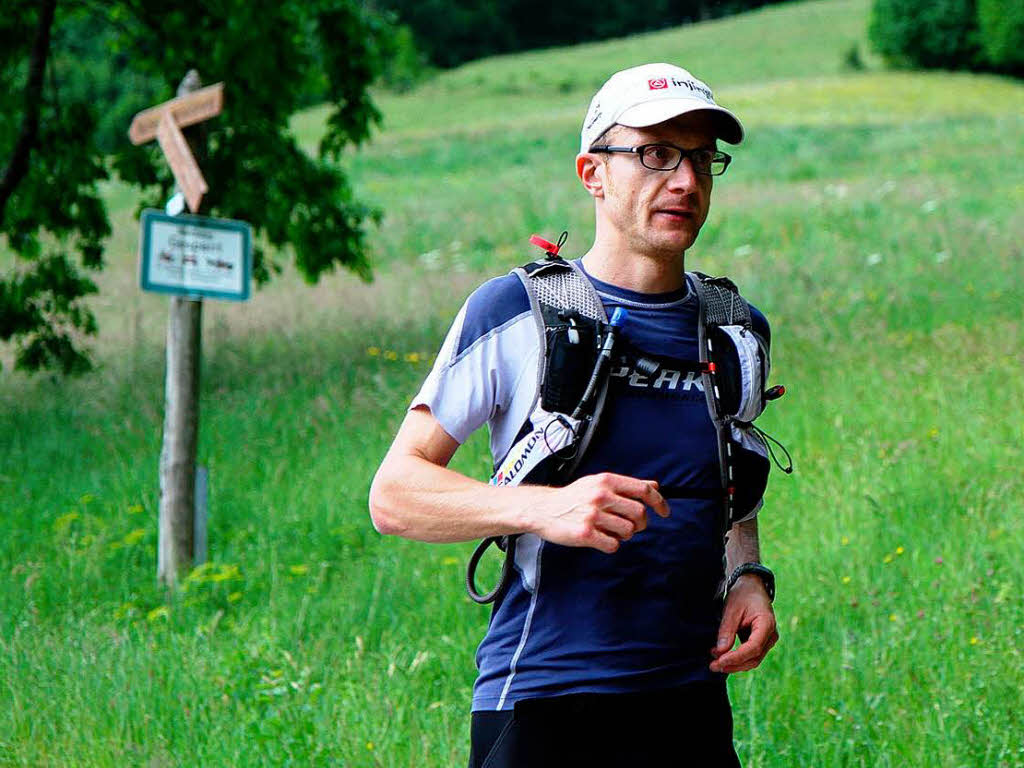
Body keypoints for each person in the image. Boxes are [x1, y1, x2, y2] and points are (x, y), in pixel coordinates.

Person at [369, 62, 780, 767]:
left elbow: (729, 479)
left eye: (702, 159)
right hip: (544, 701)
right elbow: (395, 495)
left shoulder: (735, 328)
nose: (685, 180)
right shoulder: (517, 313)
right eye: (655, 154)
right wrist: (543, 509)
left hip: (689, 702)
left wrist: (745, 576)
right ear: (593, 173)